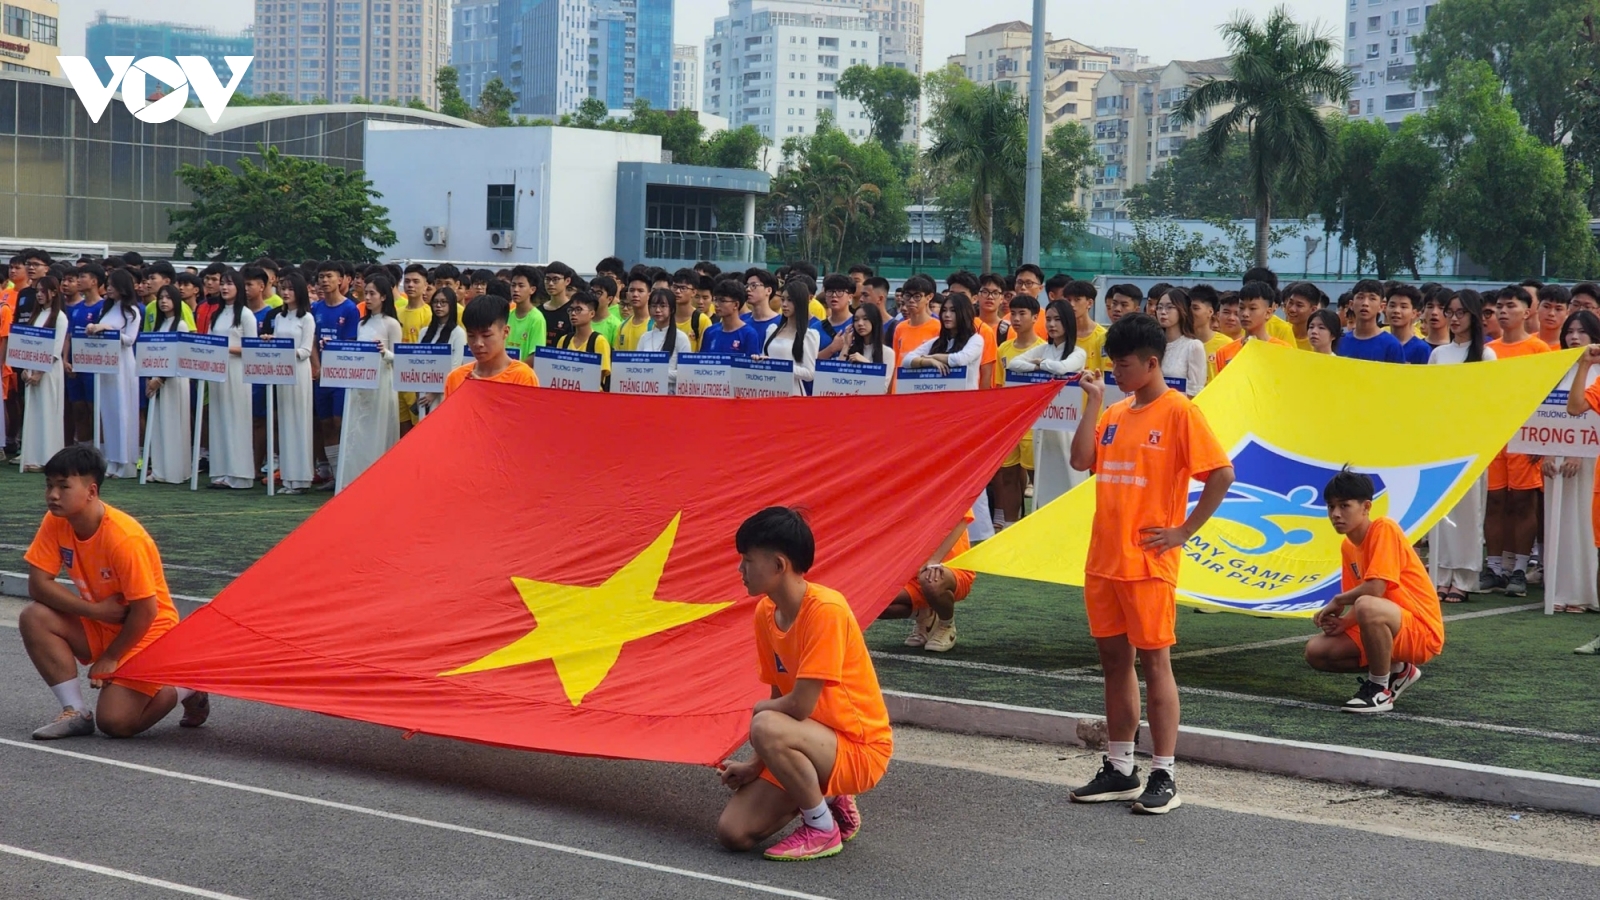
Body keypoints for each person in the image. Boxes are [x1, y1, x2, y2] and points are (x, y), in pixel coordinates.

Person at [1067, 313, 1234, 814]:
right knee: (1114, 663)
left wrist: (1183, 531)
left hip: (1147, 563)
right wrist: (1094, 403)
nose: (1116, 373)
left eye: (1123, 365)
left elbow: (1221, 473)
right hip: (1103, 560)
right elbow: (1081, 460)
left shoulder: (1179, 411)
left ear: (1152, 363)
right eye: (1113, 365)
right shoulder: (1115, 412)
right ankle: (1120, 768)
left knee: (1155, 663)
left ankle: (1164, 772)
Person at [717, 508, 892, 861]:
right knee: (732, 833)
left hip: (859, 751)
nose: (740, 570)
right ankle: (828, 796)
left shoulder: (826, 610)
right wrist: (754, 764)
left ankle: (821, 827)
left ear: (779, 565)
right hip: (808, 742)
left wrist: (759, 712)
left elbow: (797, 707)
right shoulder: (765, 613)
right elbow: (779, 695)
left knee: (764, 720)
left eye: (748, 561)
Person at [19, 446, 209, 739]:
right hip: (103, 621)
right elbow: (38, 585)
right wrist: (94, 611)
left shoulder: (124, 539)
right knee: (34, 616)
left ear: (91, 491)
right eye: (49, 485)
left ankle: (187, 683)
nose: (52, 495)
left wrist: (111, 657)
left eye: (63, 486)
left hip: (148, 632)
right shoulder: (56, 520)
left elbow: (147, 611)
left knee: (116, 723)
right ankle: (75, 711)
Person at [1304, 468, 1442, 713]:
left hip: (1421, 630)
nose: (1335, 514)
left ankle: (1379, 689)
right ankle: (1399, 670)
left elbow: (1375, 589)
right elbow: (1362, 598)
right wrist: (1345, 623)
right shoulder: (1348, 545)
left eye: (1344, 506)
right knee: (1316, 653)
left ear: (1366, 507)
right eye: (1331, 507)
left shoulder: (1383, 528)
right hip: (1389, 620)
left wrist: (1338, 600)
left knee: (1367, 604)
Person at [1425, 290, 1495, 602]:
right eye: (1450, 312)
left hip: (1470, 442)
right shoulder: (1439, 354)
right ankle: (1440, 575)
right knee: (1441, 511)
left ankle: (1464, 579)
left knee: (1468, 512)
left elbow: (1488, 402)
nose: (1454, 318)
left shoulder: (1485, 355)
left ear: (1474, 316)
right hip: (1440, 441)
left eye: (1460, 312)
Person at [1482, 285, 1552, 595]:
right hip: (1493, 434)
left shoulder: (1539, 350)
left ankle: (1520, 569)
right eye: (1499, 306)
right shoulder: (1488, 350)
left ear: (1527, 312)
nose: (1502, 311)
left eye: (1510, 305)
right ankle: (1494, 567)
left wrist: (1540, 440)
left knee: (1524, 501)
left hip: (1526, 435)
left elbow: (1547, 399)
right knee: (1494, 500)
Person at [1539, 310, 1600, 613]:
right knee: (1558, 522)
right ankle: (1558, 590)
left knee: (1585, 524)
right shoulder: (1557, 369)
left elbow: (1588, 416)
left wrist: (1579, 451)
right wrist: (1547, 453)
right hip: (1556, 460)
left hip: (1591, 462)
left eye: (1581, 332)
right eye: (1570, 332)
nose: (1574, 337)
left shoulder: (1598, 372)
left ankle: (1583, 592)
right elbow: (1543, 416)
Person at [1011, 299, 1088, 509]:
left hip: (1067, 423)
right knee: (1044, 472)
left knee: (1069, 473)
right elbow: (1014, 363)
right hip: (1044, 420)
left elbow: (1063, 368)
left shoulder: (1078, 352)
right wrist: (1041, 366)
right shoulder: (1043, 349)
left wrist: (1039, 365)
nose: (1052, 325)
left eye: (1058, 320)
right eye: (1050, 319)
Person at [337, 275, 403, 492]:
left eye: (373, 293)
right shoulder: (361, 323)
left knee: (377, 430)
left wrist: (385, 353)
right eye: (367, 293)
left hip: (382, 383)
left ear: (384, 296)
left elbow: (399, 358)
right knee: (359, 431)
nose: (369, 297)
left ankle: (378, 484)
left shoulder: (391, 324)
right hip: (361, 383)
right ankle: (355, 480)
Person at [991, 294, 1045, 529]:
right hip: (1010, 423)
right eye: (1013, 313)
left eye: (1022, 313)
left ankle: (1036, 529)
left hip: (1035, 423)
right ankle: (1010, 527)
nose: (1016, 318)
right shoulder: (1003, 348)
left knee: (1037, 478)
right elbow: (1000, 387)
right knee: (1008, 476)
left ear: (1035, 317)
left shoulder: (1044, 349)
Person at [84, 269, 141, 479]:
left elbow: (130, 340)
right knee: (108, 412)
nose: (108, 288)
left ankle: (125, 462)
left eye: (112, 285)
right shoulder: (107, 308)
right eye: (107, 284)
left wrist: (107, 329)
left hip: (123, 364)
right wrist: (93, 328)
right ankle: (111, 459)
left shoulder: (132, 310)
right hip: (106, 363)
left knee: (122, 410)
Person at [311, 269, 361, 488]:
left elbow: (349, 344)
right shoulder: (316, 308)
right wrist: (317, 365)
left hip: (341, 376)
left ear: (341, 280)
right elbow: (312, 339)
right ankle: (334, 474)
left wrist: (335, 368)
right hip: (321, 375)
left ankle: (346, 473)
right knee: (325, 424)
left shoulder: (350, 309)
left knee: (340, 421)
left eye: (330, 276)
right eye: (322, 277)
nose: (325, 280)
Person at [444, 296, 541, 398]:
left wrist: (486, 391)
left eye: (486, 335)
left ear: (505, 332)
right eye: (471, 336)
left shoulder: (523, 377)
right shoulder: (456, 378)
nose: (478, 343)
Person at [143, 286, 191, 485]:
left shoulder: (180, 325)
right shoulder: (160, 325)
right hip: (157, 378)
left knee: (173, 422)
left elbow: (180, 355)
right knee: (159, 423)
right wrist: (150, 377)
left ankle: (175, 471)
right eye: (161, 298)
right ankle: (160, 469)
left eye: (168, 298)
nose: (163, 301)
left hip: (174, 380)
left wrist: (161, 379)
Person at [19, 276, 68, 470]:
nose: (39, 295)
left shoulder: (60, 317)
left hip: (49, 372)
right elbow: (27, 343)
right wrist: (25, 368)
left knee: (48, 412)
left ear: (53, 293)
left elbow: (55, 350)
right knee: (33, 412)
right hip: (32, 369)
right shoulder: (37, 315)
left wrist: (39, 372)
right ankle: (32, 455)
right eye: (37, 291)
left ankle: (48, 458)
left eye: (42, 291)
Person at [903, 292, 984, 391]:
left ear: (964, 313)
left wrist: (933, 356)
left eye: (953, 310)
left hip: (965, 401)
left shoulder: (975, 340)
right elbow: (907, 360)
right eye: (944, 310)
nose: (947, 315)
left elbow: (960, 359)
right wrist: (929, 361)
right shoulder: (936, 342)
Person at [758, 281, 821, 396]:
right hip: (768, 391)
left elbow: (810, 373)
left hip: (792, 393)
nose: (784, 304)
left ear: (801, 302)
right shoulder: (772, 330)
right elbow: (765, 358)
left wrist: (781, 366)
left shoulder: (808, 335)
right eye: (783, 299)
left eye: (790, 300)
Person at [1213, 281, 1290, 373]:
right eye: (1241, 308)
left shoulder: (1283, 350)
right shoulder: (1224, 352)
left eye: (1252, 308)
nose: (1245, 314)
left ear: (1268, 313)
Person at [889, 275, 940, 391]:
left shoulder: (938, 328)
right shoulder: (900, 327)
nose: (911, 300)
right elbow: (896, 363)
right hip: (900, 389)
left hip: (924, 388)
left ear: (929, 297)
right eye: (908, 296)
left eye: (917, 296)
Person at [1152, 287, 1206, 397]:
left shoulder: (1193, 346)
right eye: (1159, 307)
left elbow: (1196, 392)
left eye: (1169, 307)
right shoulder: (1151, 344)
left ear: (1182, 310)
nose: (1163, 312)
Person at [1336, 280, 1405, 362]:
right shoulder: (1340, 342)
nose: (1365, 303)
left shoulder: (1392, 345)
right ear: (1351, 305)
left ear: (1381, 307)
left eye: (1372, 298)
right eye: (1360, 297)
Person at [635, 288, 687, 392]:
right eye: (654, 306)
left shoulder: (681, 338)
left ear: (672, 309)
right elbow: (637, 368)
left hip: (670, 396)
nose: (657, 310)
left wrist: (654, 372)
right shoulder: (645, 337)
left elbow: (686, 373)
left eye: (663, 306)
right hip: (646, 393)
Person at [699, 279, 763, 356]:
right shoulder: (710, 332)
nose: (716, 304)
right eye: (715, 300)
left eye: (722, 301)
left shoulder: (749, 334)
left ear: (736, 305)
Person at [1188, 285, 1229, 380]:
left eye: (1195, 308)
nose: (1190, 313)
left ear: (1210, 312)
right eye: (1188, 308)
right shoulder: (1180, 342)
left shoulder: (1226, 345)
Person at [1384, 284, 1433, 364]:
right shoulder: (1379, 344)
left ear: (1414, 313)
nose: (1396, 311)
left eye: (1403, 307)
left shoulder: (1422, 349)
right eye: (1392, 306)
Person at [844, 302, 893, 375]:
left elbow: (884, 385)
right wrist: (846, 346)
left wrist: (867, 364)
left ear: (875, 321)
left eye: (865, 318)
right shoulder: (851, 350)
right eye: (856, 320)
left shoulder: (887, 353)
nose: (860, 323)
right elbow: (837, 377)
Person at [672, 268, 714, 350]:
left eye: (683, 288)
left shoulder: (702, 320)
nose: (677, 291)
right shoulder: (665, 317)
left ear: (694, 292)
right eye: (675, 287)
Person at [540, 262, 577, 346]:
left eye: (555, 279)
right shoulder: (538, 311)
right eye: (547, 279)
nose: (550, 283)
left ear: (567, 281)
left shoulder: (574, 310)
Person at [743, 268, 783, 344]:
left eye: (753, 285)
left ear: (768, 290)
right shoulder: (741, 321)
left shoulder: (782, 323)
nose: (748, 289)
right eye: (747, 286)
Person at [616, 271, 653, 352]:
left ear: (649, 295)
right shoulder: (622, 326)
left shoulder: (655, 326)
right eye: (632, 290)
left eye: (640, 291)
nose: (635, 294)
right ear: (627, 295)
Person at [1537, 284, 1570, 349]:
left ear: (1567, 313)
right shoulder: (1524, 342)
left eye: (1558, 309)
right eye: (1546, 307)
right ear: (1537, 307)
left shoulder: (1570, 346)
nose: (1551, 313)